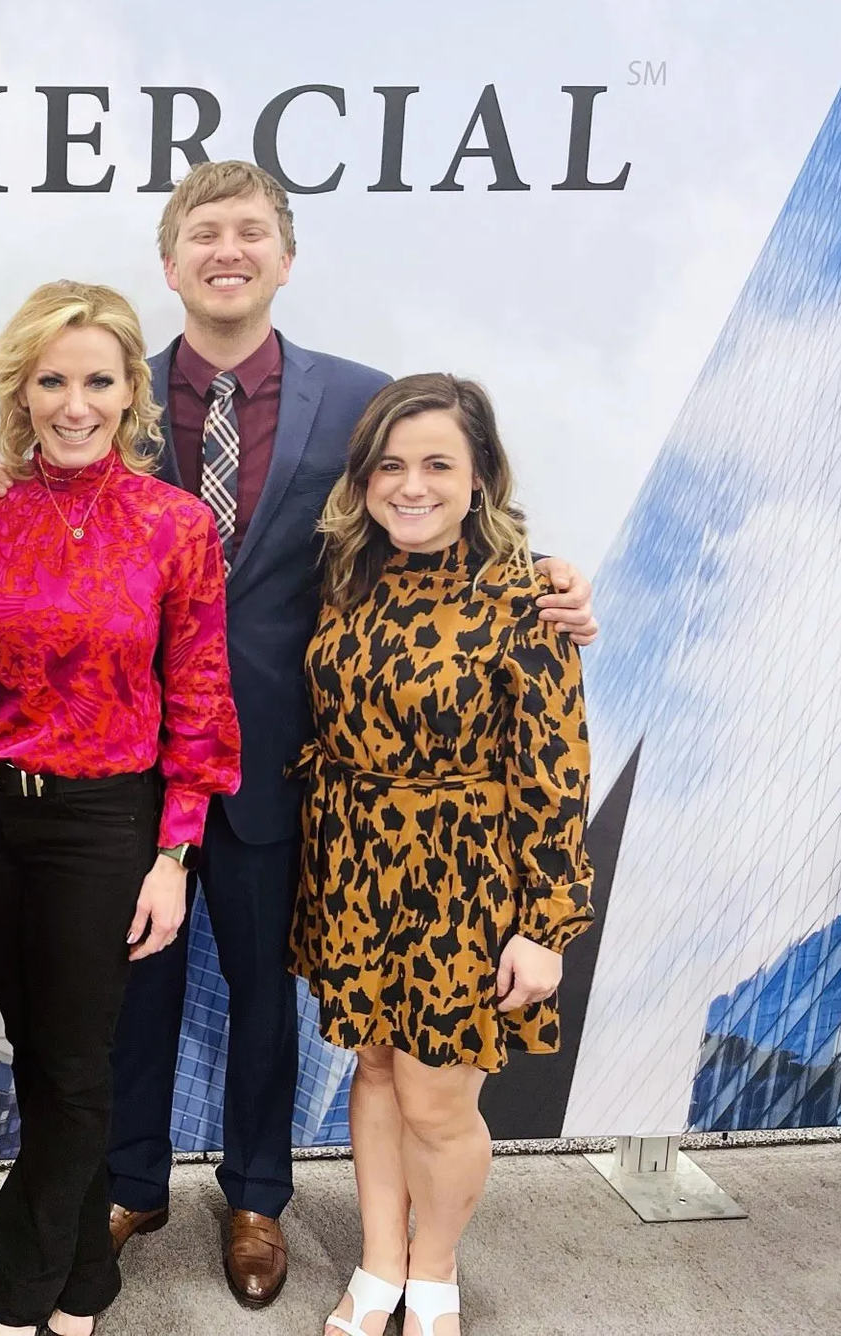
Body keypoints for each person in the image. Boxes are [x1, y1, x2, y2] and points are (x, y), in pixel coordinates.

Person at [0, 160, 597, 1309]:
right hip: (120, 767)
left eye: (251, 231)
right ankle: (130, 1181)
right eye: (204, 232)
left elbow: (432, 506)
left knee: (265, 998)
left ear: (286, 257)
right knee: (129, 992)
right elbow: (58, 505)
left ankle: (257, 1194)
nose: (228, 250)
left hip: (290, 764)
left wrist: (546, 574)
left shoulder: (357, 397)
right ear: (170, 261)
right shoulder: (104, 380)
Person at [0, 282, 241, 1336]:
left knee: (75, 1067)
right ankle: (87, 1276)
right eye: (52, 381)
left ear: (130, 394)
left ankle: (22, 1298)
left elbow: (200, 693)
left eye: (98, 381)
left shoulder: (176, 524)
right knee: (41, 1057)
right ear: (21, 392)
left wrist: (175, 855)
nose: (75, 404)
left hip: (104, 827)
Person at [297, 373, 593, 1336]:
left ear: (480, 478)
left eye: (437, 464)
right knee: (376, 1071)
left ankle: (436, 1271)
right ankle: (380, 1262)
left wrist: (547, 927)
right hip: (353, 862)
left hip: (464, 880)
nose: (412, 486)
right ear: (364, 478)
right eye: (391, 465)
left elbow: (555, 770)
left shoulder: (527, 597)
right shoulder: (349, 573)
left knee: (437, 1102)